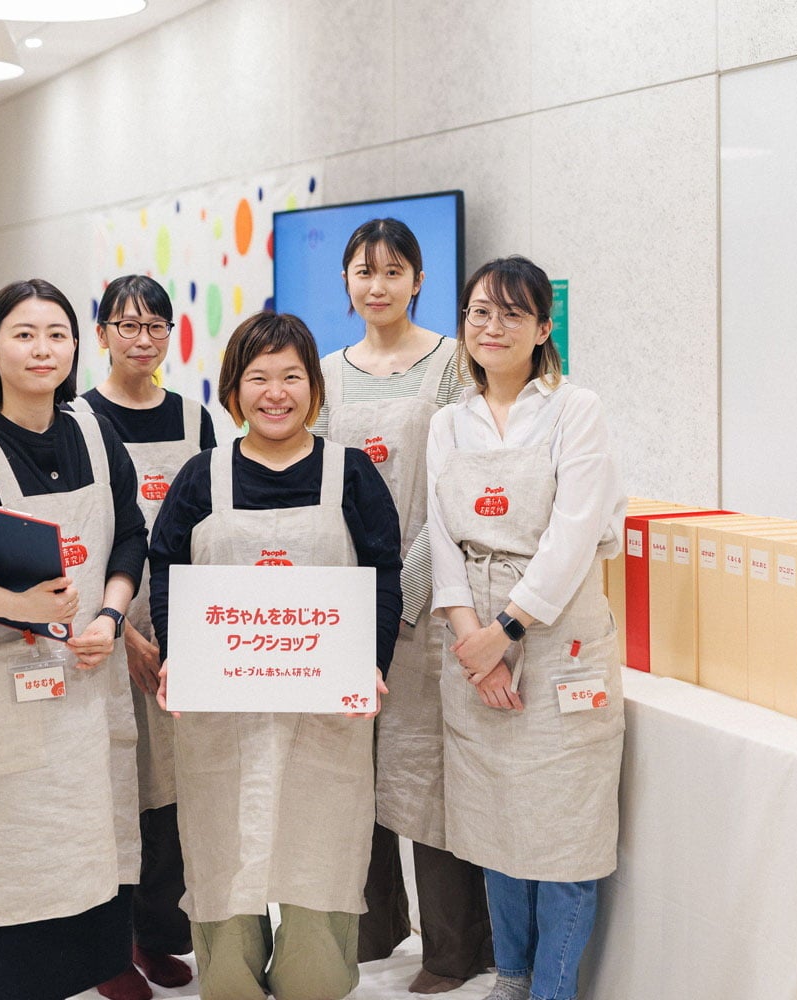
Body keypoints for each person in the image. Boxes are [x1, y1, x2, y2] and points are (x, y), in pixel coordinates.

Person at [149, 311, 403, 1000]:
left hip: (324, 711)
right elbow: (166, 567)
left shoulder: (351, 474)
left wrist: (371, 663)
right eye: (258, 377)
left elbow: (383, 571)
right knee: (223, 847)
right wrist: (179, 653)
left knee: (319, 847)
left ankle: (312, 977)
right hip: (222, 711)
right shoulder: (202, 476)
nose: (276, 393)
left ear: (314, 386)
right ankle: (230, 979)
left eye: (291, 376)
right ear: (234, 389)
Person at [0, 278, 148, 1000]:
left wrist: (109, 618)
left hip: (89, 678)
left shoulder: (96, 436)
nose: (42, 349)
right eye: (23, 334)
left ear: (75, 347)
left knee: (90, 827)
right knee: (10, 838)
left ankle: (102, 964)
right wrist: (19, 606)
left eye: (56, 334)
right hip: (7, 686)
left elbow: (130, 536)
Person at [427, 256, 626, 1000]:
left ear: (543, 328)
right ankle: (510, 977)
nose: (493, 327)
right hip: (474, 638)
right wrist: (473, 644)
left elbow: (573, 536)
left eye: (513, 313)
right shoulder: (449, 422)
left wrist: (504, 631)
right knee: (497, 825)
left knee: (568, 835)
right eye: (480, 312)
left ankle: (552, 989)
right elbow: (441, 540)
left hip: (558, 637)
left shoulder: (576, 409)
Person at [314, 218, 494, 993]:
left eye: (394, 271)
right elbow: (313, 487)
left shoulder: (454, 363)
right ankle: (373, 927)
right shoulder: (325, 372)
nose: (378, 285)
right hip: (344, 603)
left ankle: (455, 950)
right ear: (346, 282)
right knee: (349, 768)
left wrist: (402, 594)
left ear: (419, 281)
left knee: (426, 772)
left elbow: (459, 491)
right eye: (365, 271)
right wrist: (345, 598)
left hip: (429, 601)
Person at [69, 274, 216, 1000]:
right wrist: (120, 629)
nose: (142, 339)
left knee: (173, 790)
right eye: (126, 325)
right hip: (102, 627)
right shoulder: (77, 421)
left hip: (182, 624)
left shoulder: (195, 418)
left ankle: (157, 936)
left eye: (156, 325)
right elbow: (78, 535)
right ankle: (107, 950)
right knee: (113, 787)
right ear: (101, 334)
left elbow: (213, 523)